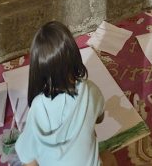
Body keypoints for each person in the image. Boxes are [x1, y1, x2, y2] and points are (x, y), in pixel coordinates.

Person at [15, 21, 115, 166]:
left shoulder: (38, 107)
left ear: (37, 70)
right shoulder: (90, 90)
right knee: (109, 157)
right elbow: (100, 118)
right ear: (75, 56)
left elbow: (27, 157)